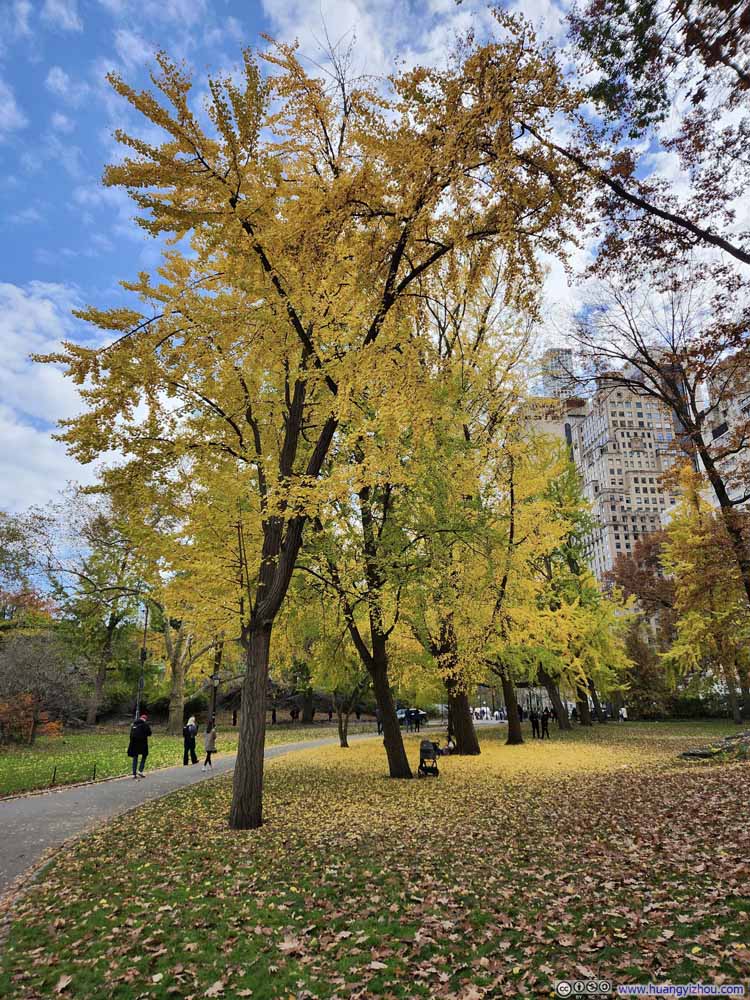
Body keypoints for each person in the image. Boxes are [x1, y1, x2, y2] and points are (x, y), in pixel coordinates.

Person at [127, 712, 151, 779]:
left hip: (134, 744)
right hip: (143, 744)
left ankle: (134, 774)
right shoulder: (145, 725)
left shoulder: (134, 724)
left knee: (135, 758)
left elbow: (131, 735)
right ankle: (140, 771)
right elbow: (149, 733)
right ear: (145, 719)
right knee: (144, 756)